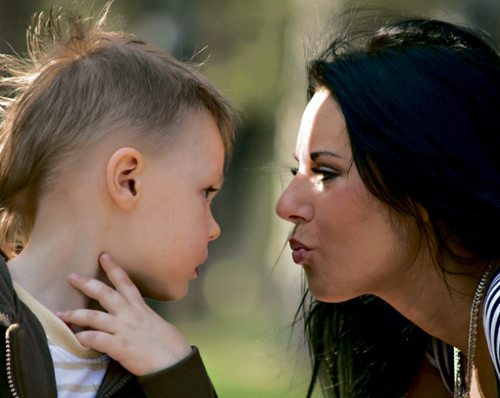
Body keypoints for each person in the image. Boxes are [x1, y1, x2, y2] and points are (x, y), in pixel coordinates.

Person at [0, 3, 233, 397]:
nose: (214, 229)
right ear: (127, 181)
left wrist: (179, 378)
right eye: (205, 192)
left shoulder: (160, 366)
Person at [275, 17, 500, 398]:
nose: (287, 205)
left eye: (325, 172)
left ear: (423, 183)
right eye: (297, 170)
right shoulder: (444, 349)